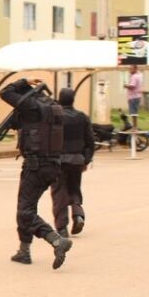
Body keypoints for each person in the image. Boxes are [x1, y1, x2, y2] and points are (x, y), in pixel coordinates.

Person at [0, 77, 73, 269]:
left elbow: (5, 92)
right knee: (27, 208)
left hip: (36, 166)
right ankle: (24, 250)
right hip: (53, 165)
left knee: (25, 211)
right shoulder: (53, 106)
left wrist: (24, 81)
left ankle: (56, 240)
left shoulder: (31, 105)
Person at [51, 88, 95, 238]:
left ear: (59, 99)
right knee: (74, 188)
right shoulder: (82, 117)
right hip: (77, 160)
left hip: (58, 160)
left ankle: (62, 227)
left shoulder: (55, 117)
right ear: (73, 100)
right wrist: (86, 159)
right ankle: (78, 214)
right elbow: (90, 140)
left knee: (59, 192)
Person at [123, 65, 143, 129]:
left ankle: (135, 127)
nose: (130, 70)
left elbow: (132, 86)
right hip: (136, 96)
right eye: (129, 69)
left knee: (133, 112)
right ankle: (134, 126)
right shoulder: (139, 75)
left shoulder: (134, 77)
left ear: (135, 69)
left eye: (131, 69)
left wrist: (126, 86)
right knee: (134, 112)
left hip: (133, 96)